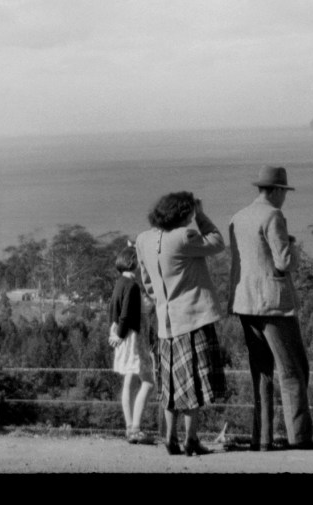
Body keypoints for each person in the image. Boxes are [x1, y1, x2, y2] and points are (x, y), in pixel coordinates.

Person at [228, 165, 313, 450]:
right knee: (294, 370)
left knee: (261, 372)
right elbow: (284, 262)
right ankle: (300, 438)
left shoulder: (238, 217)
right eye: (285, 192)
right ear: (278, 191)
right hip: (273, 304)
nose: (285, 198)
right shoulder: (273, 215)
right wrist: (294, 246)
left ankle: (262, 439)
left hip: (244, 302)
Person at [135, 191, 227, 456]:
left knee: (168, 385)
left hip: (165, 323)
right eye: (188, 213)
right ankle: (191, 440)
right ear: (182, 213)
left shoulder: (143, 239)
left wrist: (164, 301)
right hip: (192, 319)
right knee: (192, 384)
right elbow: (217, 242)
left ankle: (170, 438)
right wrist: (201, 214)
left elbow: (148, 282)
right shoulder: (184, 237)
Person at [107, 244, 155, 444]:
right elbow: (126, 313)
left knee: (128, 381)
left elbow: (113, 310)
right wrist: (120, 333)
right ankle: (135, 428)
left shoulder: (119, 283)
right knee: (148, 382)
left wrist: (115, 331)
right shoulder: (133, 286)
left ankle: (130, 427)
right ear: (133, 263)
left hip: (126, 338)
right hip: (134, 338)